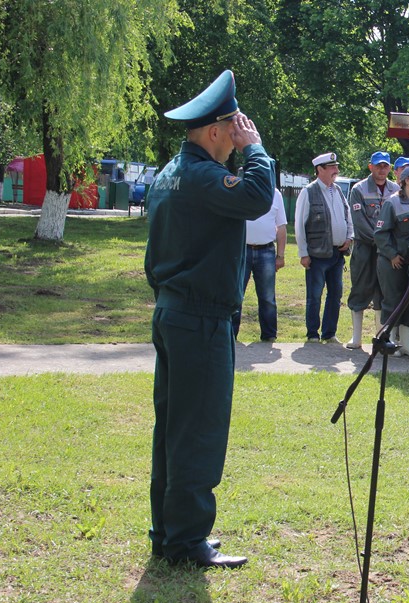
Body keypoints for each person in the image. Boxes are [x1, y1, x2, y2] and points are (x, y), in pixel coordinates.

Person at [144, 70, 273, 568]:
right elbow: (257, 197)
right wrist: (255, 149)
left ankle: (167, 532)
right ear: (216, 131)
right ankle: (186, 540)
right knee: (198, 429)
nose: (239, 134)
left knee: (172, 429)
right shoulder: (201, 176)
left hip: (173, 310)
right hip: (199, 318)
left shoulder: (169, 173)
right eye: (235, 127)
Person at [294, 152, 353, 343]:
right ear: (320, 169)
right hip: (317, 255)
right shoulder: (308, 192)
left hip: (337, 253)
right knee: (314, 295)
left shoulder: (338, 190)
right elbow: (299, 225)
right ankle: (313, 333)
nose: (336, 170)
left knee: (335, 294)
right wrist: (303, 253)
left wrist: (349, 237)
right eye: (332, 167)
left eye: (336, 167)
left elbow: (347, 216)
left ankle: (329, 333)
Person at [346, 151, 399, 348]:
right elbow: (359, 222)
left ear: (390, 168)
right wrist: (380, 240)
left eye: (385, 166)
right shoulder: (358, 189)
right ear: (370, 167)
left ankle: (380, 336)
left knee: (384, 292)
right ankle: (356, 337)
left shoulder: (396, 189)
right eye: (378, 166)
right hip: (365, 248)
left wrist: (386, 244)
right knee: (360, 288)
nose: (382, 169)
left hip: (386, 251)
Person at [376, 164, 409, 356]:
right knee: (392, 301)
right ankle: (387, 340)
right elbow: (380, 233)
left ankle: (405, 343)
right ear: (406, 181)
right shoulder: (392, 203)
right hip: (392, 262)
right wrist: (392, 255)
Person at [232, 184, 286, 342]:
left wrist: (280, 255)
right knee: (236, 294)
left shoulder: (275, 194)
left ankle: (269, 336)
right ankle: (231, 335)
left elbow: (281, 226)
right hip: (242, 250)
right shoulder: (240, 189)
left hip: (266, 251)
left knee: (267, 297)